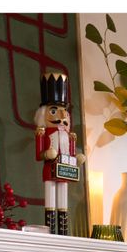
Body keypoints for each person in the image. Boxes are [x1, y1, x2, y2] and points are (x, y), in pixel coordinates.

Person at [34, 72, 84, 235]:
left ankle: (62, 233)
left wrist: (77, 158)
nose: (63, 115)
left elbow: (70, 152)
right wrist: (46, 154)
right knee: (51, 199)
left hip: (65, 171)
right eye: (55, 110)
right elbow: (39, 154)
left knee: (63, 201)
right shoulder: (43, 133)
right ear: (43, 113)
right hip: (50, 171)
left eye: (64, 111)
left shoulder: (68, 135)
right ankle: (51, 230)